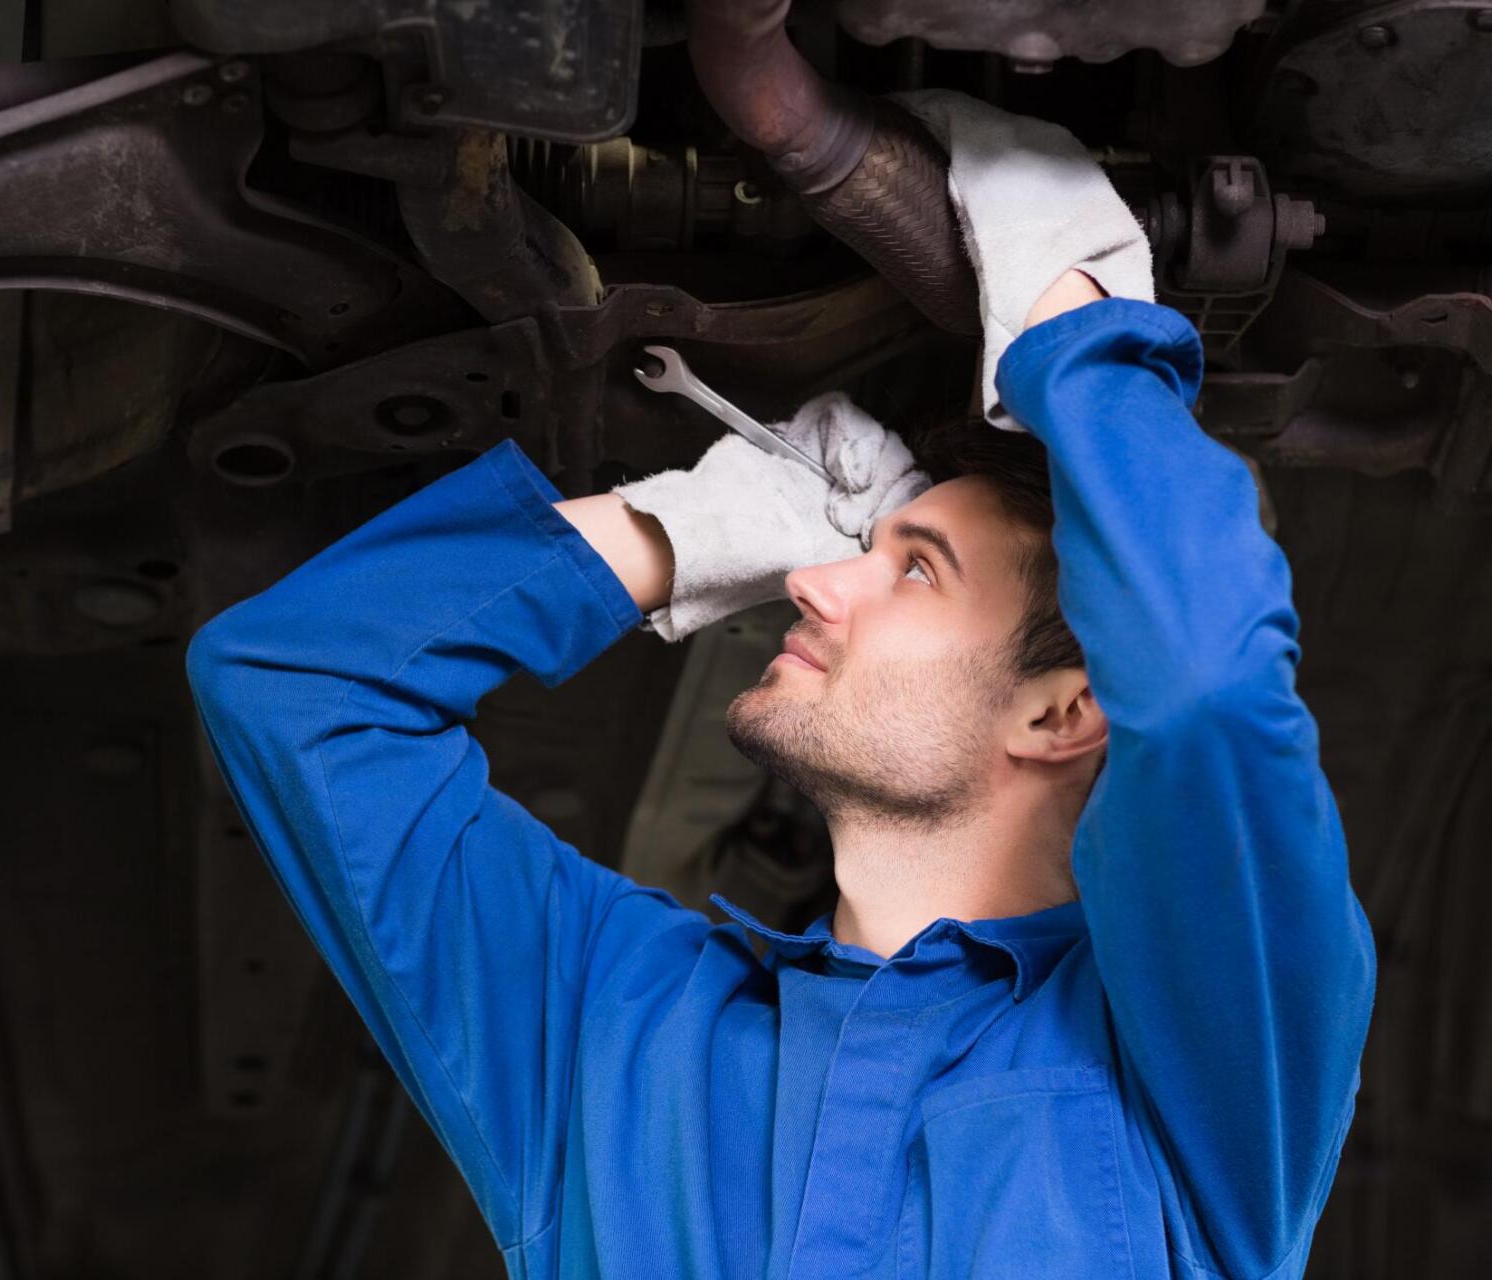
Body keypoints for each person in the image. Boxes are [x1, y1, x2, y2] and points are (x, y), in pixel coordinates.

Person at [187, 94, 1375, 1279]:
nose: (809, 580)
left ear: (1060, 710)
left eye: (912, 568)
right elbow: (295, 686)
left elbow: (1205, 682)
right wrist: (680, 531)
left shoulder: (1199, 1069)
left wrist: (1081, 326)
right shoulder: (612, 1020)